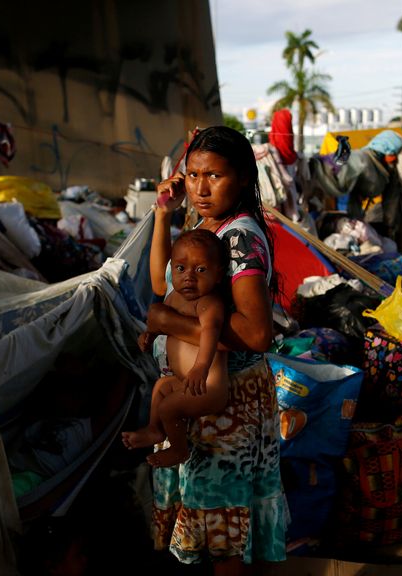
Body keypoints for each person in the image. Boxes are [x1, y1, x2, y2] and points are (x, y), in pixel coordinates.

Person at [142, 126, 287, 573]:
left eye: (215, 176)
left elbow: (257, 334)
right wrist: (164, 216)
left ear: (243, 178)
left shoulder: (239, 237)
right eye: (193, 175)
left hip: (228, 409)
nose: (200, 188)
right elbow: (161, 285)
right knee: (209, 528)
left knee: (223, 533)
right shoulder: (205, 225)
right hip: (196, 401)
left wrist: (172, 324)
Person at [122, 229, 231, 467]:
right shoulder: (174, 297)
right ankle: (154, 430)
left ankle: (180, 450)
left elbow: (211, 332)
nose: (189, 277)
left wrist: (201, 367)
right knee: (161, 387)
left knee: (169, 406)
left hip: (208, 387)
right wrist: (149, 334)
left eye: (200, 270)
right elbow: (159, 323)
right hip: (184, 381)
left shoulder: (209, 302)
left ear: (219, 274)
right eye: (181, 269)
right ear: (172, 269)